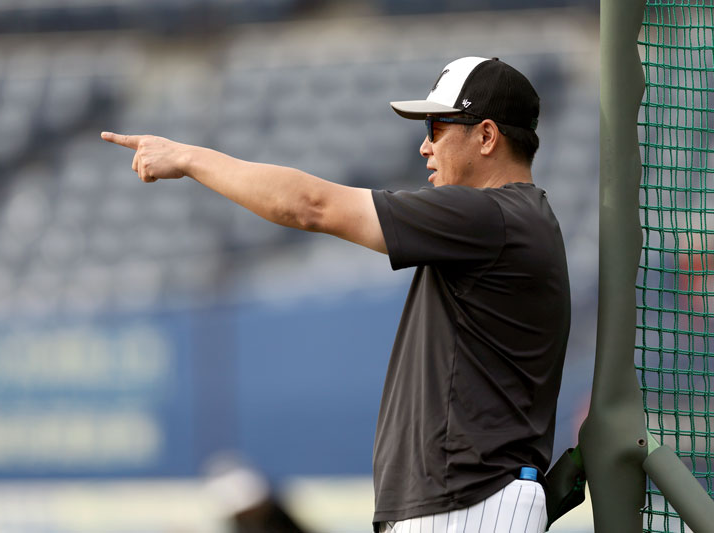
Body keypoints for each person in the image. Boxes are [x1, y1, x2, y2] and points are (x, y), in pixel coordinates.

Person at [102, 56, 571, 533]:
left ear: (487, 136)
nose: (425, 145)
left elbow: (311, 206)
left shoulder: (491, 216)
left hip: (469, 502)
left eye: (436, 127)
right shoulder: (509, 220)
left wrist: (187, 158)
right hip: (469, 501)